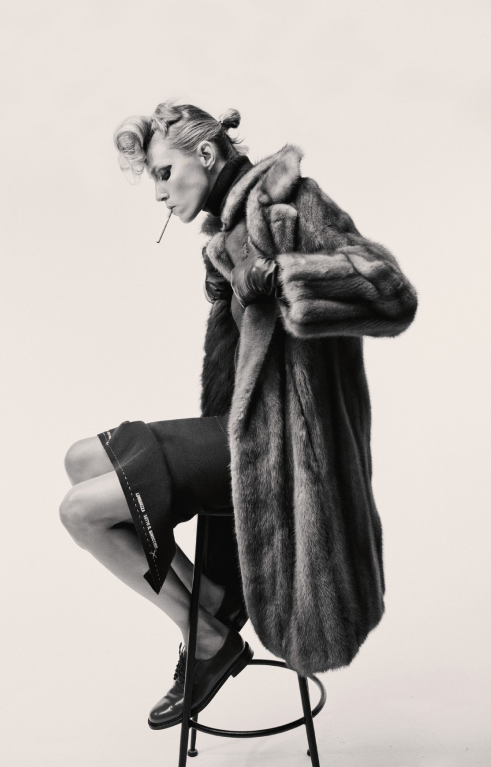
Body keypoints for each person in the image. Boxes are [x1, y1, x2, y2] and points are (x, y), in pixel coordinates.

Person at [59, 100, 418, 730]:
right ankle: (211, 604)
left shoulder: (289, 200)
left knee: (80, 511)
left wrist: (279, 276)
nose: (159, 193)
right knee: (79, 460)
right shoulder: (226, 229)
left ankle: (205, 636)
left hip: (286, 448)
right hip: (241, 429)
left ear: (205, 153)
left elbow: (391, 292)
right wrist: (232, 282)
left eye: (165, 173)